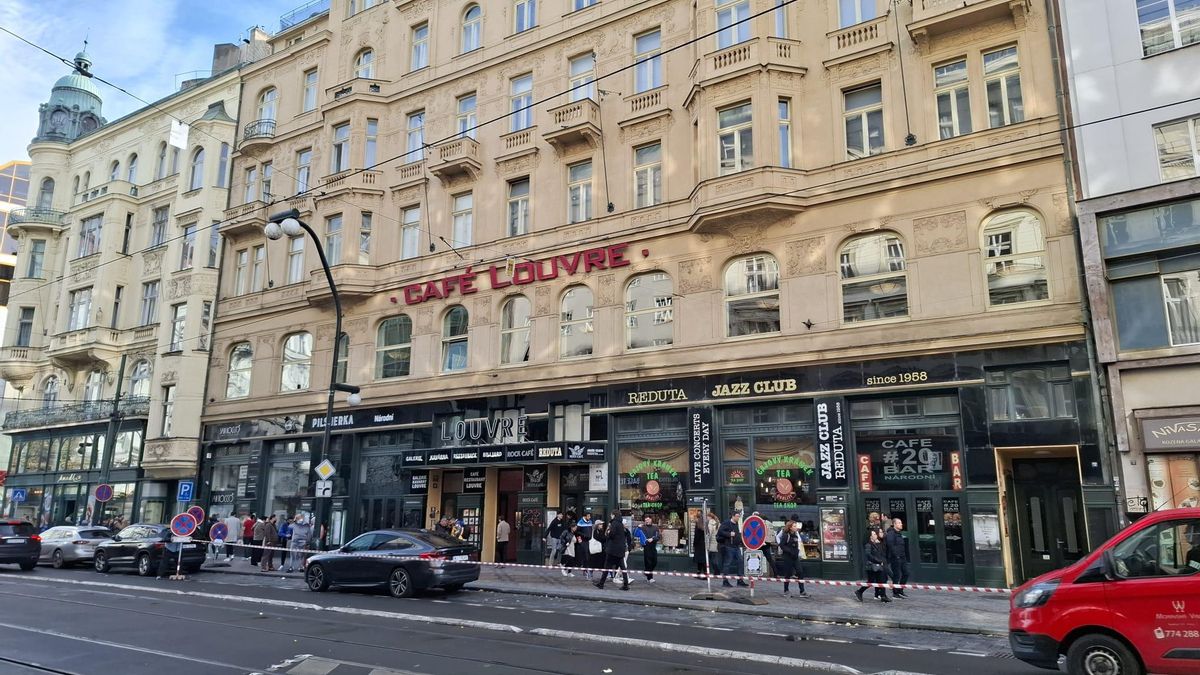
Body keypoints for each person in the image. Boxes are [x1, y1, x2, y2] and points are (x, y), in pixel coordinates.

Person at [594, 515, 630, 590]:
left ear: (613, 515)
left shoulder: (614, 524)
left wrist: (608, 532)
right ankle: (626, 585)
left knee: (606, 567)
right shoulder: (621, 525)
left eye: (611, 515)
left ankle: (601, 584)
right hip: (620, 550)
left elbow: (611, 535)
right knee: (623, 568)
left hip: (612, 550)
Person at [777, 518, 808, 597]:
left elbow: (796, 545)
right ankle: (786, 591)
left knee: (800, 572)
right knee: (788, 574)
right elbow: (782, 545)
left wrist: (797, 551)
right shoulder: (785, 535)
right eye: (794, 526)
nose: (796, 527)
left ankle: (802, 591)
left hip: (795, 557)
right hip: (787, 557)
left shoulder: (796, 535)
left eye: (796, 526)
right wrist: (789, 551)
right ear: (790, 527)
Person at [858, 529, 890, 603]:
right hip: (872, 566)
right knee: (871, 581)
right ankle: (859, 591)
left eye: (876, 534)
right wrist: (879, 561)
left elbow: (881, 552)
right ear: (870, 537)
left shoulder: (876, 543)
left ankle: (883, 596)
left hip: (878, 565)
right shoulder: (868, 545)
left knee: (881, 580)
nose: (876, 535)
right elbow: (869, 555)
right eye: (874, 534)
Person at [716, 512, 748, 588]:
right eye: (737, 516)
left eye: (739, 516)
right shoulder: (726, 523)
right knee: (727, 563)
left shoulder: (738, 524)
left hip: (737, 546)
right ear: (733, 516)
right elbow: (720, 531)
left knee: (740, 562)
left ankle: (740, 580)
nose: (738, 518)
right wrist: (729, 534)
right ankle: (725, 581)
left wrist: (743, 543)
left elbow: (740, 534)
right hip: (729, 546)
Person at [884, 518, 910, 599]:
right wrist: (896, 555)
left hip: (902, 557)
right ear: (894, 524)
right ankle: (895, 593)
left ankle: (900, 590)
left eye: (901, 523)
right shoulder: (891, 533)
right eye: (899, 523)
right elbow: (890, 545)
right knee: (897, 575)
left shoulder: (899, 533)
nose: (901, 524)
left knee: (906, 573)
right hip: (895, 558)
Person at [634, 515, 659, 582]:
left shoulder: (655, 528)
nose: (647, 521)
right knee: (648, 562)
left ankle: (646, 572)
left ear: (651, 520)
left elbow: (658, 537)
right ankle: (650, 578)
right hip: (646, 546)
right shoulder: (642, 528)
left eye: (648, 519)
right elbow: (635, 534)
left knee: (655, 562)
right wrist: (638, 527)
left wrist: (652, 539)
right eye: (645, 520)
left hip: (653, 546)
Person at [576, 512, 595, 578]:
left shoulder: (590, 522)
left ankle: (586, 568)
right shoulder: (580, 522)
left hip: (590, 541)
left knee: (589, 555)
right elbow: (577, 532)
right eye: (588, 516)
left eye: (590, 516)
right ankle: (585, 569)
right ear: (584, 516)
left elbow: (591, 530)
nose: (589, 517)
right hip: (584, 541)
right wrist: (583, 535)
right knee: (586, 555)